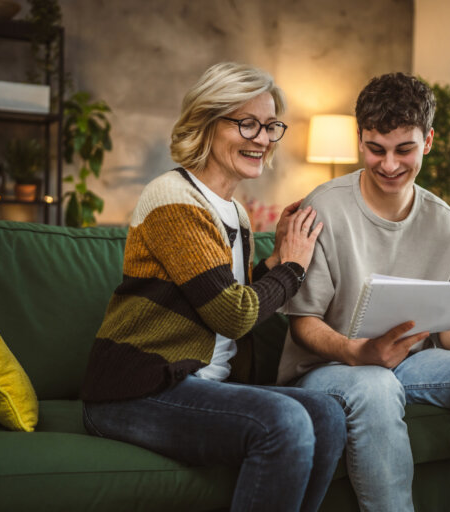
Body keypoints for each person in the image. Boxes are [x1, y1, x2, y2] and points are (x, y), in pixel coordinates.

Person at [80, 62, 346, 512]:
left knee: (327, 415)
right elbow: (232, 313)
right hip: (138, 391)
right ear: (206, 122)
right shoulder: (172, 198)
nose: (261, 139)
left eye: (269, 126)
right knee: (282, 423)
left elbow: (225, 296)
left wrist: (276, 259)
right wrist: (294, 269)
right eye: (246, 123)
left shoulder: (233, 213)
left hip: (203, 385)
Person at [277, 72, 450, 511]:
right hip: (328, 367)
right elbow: (303, 324)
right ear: (360, 140)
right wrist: (358, 353)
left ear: (428, 141)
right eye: (376, 148)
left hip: (408, 364)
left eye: (404, 149)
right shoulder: (324, 209)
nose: (389, 164)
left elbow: (449, 335)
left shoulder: (445, 223)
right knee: (375, 384)